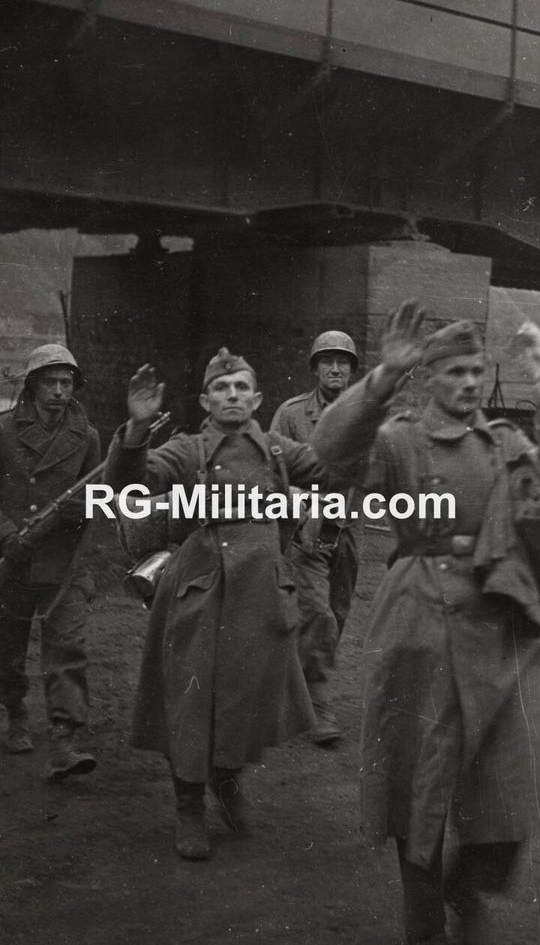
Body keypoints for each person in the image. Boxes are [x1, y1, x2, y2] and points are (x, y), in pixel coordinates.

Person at [311, 303, 540, 945]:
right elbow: (329, 452)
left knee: (510, 774)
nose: (470, 383)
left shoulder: (506, 441)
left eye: (477, 371)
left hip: (503, 619)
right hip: (421, 621)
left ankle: (468, 891)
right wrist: (382, 377)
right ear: (429, 378)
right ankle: (423, 921)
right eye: (456, 372)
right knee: (422, 778)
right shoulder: (401, 439)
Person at [104, 348, 325, 861]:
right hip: (197, 593)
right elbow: (129, 485)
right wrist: (136, 432)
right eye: (222, 389)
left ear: (258, 398)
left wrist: (363, 415)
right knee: (190, 700)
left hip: (259, 598)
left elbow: (331, 464)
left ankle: (227, 785)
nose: (232, 396)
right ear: (206, 399)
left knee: (240, 700)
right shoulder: (188, 449)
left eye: (242, 388)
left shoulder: (276, 450)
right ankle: (188, 808)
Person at [0, 344, 99, 780]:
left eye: (66, 383)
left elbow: (103, 496)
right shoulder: (3, 432)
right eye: (50, 382)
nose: (59, 391)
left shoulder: (88, 437)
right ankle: (15, 710)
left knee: (67, 649)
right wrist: (6, 536)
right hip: (14, 557)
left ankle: (64, 738)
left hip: (65, 560)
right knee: (7, 648)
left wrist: (88, 506)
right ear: (33, 386)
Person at [270, 330, 360, 744]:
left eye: (343, 362)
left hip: (346, 528)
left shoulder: (365, 413)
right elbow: (273, 467)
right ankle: (318, 707)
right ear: (315, 369)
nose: (336, 368)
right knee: (317, 613)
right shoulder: (291, 414)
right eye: (328, 361)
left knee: (336, 613)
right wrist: (296, 499)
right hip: (305, 530)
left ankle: (297, 689)